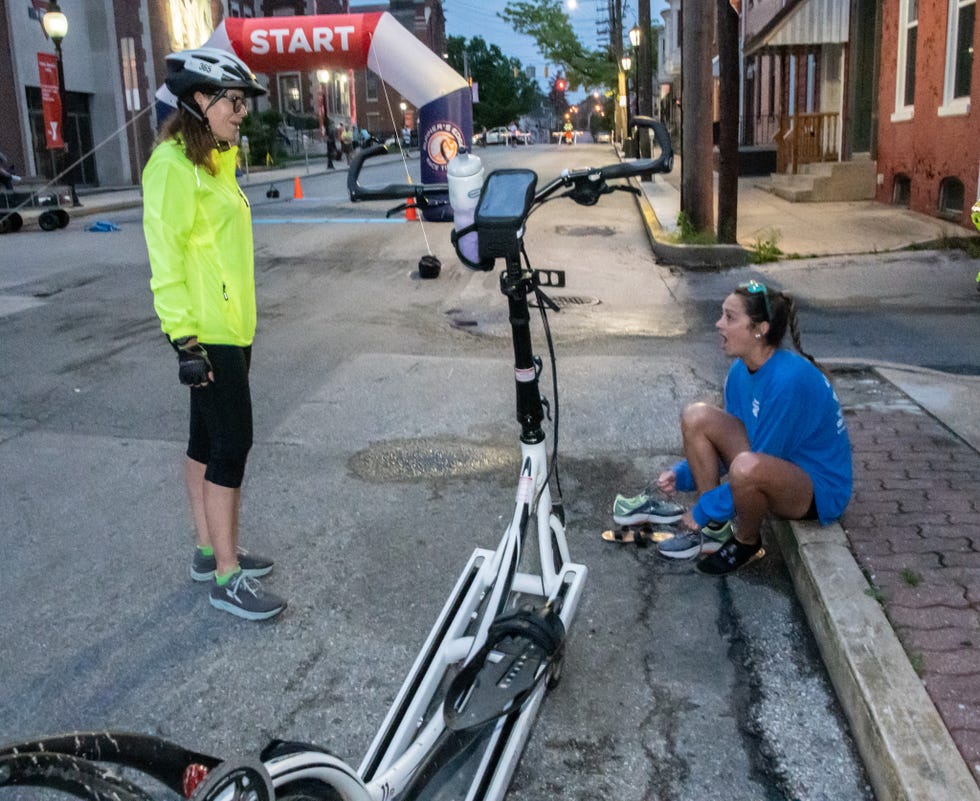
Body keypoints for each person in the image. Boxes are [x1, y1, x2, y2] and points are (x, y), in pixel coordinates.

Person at [142, 47, 286, 621]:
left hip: (232, 326)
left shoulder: (213, 161)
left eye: (243, 102)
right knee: (232, 445)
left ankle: (209, 552)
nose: (241, 112)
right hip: (207, 333)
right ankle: (227, 578)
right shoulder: (173, 167)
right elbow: (165, 258)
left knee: (205, 443)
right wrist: (185, 341)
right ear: (199, 100)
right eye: (233, 101)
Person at [651, 280, 852, 575]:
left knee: (746, 468)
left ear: (760, 329)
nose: (719, 324)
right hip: (774, 464)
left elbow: (756, 461)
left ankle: (747, 541)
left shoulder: (787, 381)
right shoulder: (739, 371)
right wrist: (682, 475)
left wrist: (702, 510)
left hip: (817, 489)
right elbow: (733, 443)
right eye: (722, 315)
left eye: (730, 317)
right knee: (697, 416)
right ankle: (716, 529)